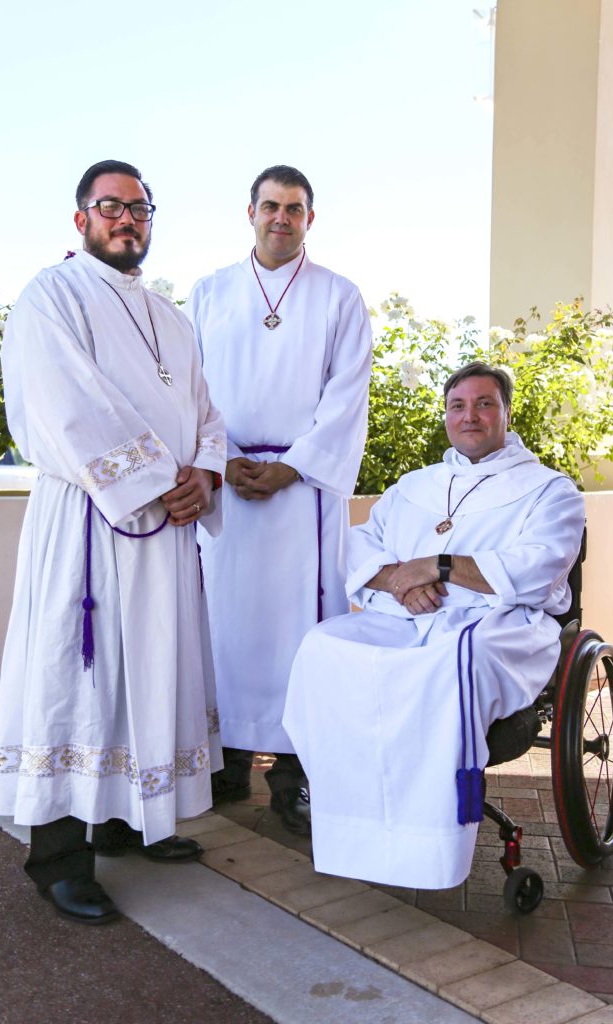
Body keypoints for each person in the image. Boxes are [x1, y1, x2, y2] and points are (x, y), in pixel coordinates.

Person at [0, 160, 227, 925]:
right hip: (91, 523)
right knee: (79, 680)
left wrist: (208, 476)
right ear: (81, 218)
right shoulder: (50, 297)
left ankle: (132, 819)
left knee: (148, 673)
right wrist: (161, 476)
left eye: (139, 208)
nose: (127, 219)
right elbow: (62, 408)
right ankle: (58, 857)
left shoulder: (172, 318)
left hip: (164, 534)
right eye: (110, 206)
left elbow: (205, 413)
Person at [283, 362, 585, 888]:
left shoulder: (550, 490)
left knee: (451, 662)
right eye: (458, 405)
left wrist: (440, 565)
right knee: (322, 644)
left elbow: (539, 564)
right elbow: (362, 543)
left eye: (485, 404)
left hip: (499, 622)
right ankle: (348, 817)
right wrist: (400, 578)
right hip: (407, 613)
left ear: (506, 414)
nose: (470, 416)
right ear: (445, 415)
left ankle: (432, 841)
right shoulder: (413, 486)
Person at [185, 165, 372, 834]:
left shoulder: (339, 297)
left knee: (303, 634)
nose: (281, 217)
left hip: (303, 498)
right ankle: (228, 760)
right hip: (230, 488)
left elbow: (348, 399)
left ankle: (292, 775)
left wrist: (292, 469)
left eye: (294, 208)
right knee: (224, 627)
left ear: (309, 219)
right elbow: (189, 391)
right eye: (270, 206)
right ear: (250, 212)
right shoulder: (209, 294)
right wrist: (222, 456)